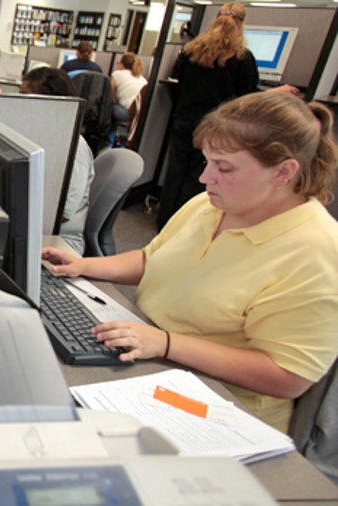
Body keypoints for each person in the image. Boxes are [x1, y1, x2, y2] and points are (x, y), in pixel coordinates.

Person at [43, 91, 338, 433]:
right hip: (153, 357)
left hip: (216, 405)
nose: (205, 178)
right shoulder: (211, 205)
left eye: (224, 168)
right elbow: (152, 259)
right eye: (208, 162)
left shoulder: (318, 251)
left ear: (284, 172)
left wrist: (166, 342)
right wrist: (84, 266)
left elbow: (287, 377)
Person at [157, 2, 299, 228]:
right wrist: (278, 92)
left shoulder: (192, 51)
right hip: (217, 127)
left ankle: (164, 221)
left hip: (184, 120)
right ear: (240, 23)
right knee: (202, 175)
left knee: (176, 170)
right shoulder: (242, 57)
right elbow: (247, 98)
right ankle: (185, 226)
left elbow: (181, 83)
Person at [20, 67, 95, 254]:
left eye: (25, 96)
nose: (18, 102)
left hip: (60, 241)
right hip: (33, 229)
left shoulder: (73, 146)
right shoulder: (34, 135)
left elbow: (61, 215)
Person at [110, 52, 148, 129]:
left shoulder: (117, 74)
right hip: (141, 115)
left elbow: (111, 97)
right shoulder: (143, 79)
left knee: (108, 108)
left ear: (122, 64)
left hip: (127, 113)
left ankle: (108, 139)